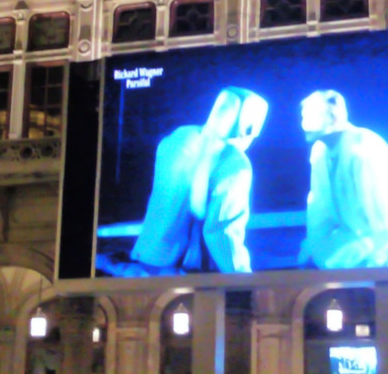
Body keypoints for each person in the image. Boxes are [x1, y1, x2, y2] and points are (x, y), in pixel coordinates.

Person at [98, 87, 268, 276]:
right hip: (180, 272)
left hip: (144, 257)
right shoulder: (235, 163)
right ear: (250, 127)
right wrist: (243, 277)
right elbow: (220, 232)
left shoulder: (178, 138)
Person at [297, 90, 388, 269]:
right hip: (358, 232)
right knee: (321, 257)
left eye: (311, 116)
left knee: (349, 259)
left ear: (333, 117)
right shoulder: (320, 152)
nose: (304, 124)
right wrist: (313, 248)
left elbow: (383, 213)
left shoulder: (360, 149)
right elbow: (319, 208)